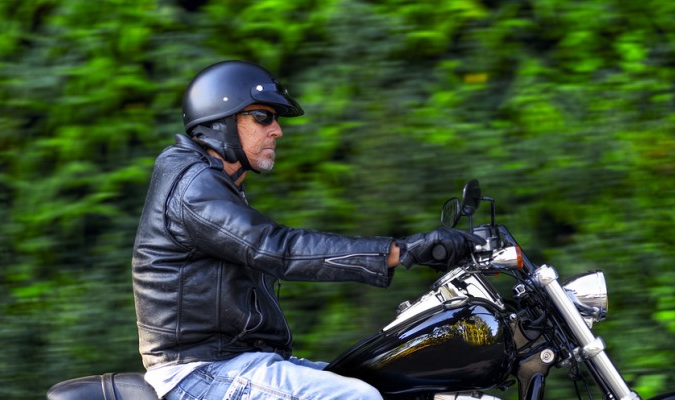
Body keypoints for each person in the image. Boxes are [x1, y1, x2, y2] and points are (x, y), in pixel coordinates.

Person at [131, 60, 479, 400]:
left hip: (240, 360)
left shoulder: (209, 181)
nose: (277, 130)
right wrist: (402, 252)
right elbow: (276, 249)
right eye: (262, 117)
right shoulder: (194, 187)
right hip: (199, 371)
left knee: (397, 383)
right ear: (220, 121)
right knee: (356, 397)